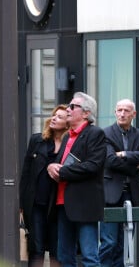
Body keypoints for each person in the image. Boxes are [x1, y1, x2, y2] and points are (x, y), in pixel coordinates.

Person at [47, 92, 106, 267]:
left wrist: (63, 172)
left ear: (86, 113)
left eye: (73, 107)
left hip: (84, 204)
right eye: (68, 106)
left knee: (89, 257)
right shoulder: (67, 136)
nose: (68, 109)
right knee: (64, 258)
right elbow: (59, 164)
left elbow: (93, 166)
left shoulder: (95, 133)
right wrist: (51, 167)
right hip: (62, 203)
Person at [99, 99, 139, 267]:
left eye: (126, 110)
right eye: (119, 110)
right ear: (115, 112)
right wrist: (135, 162)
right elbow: (109, 161)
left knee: (125, 243)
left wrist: (123, 153)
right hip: (111, 194)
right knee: (109, 242)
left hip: (132, 193)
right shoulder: (105, 134)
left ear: (134, 114)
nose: (122, 113)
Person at [19, 104, 69, 267]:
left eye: (60, 117)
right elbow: (26, 173)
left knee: (57, 249)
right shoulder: (37, 139)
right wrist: (21, 203)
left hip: (58, 205)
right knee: (36, 248)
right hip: (37, 203)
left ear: (67, 124)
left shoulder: (71, 144)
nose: (54, 118)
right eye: (54, 115)